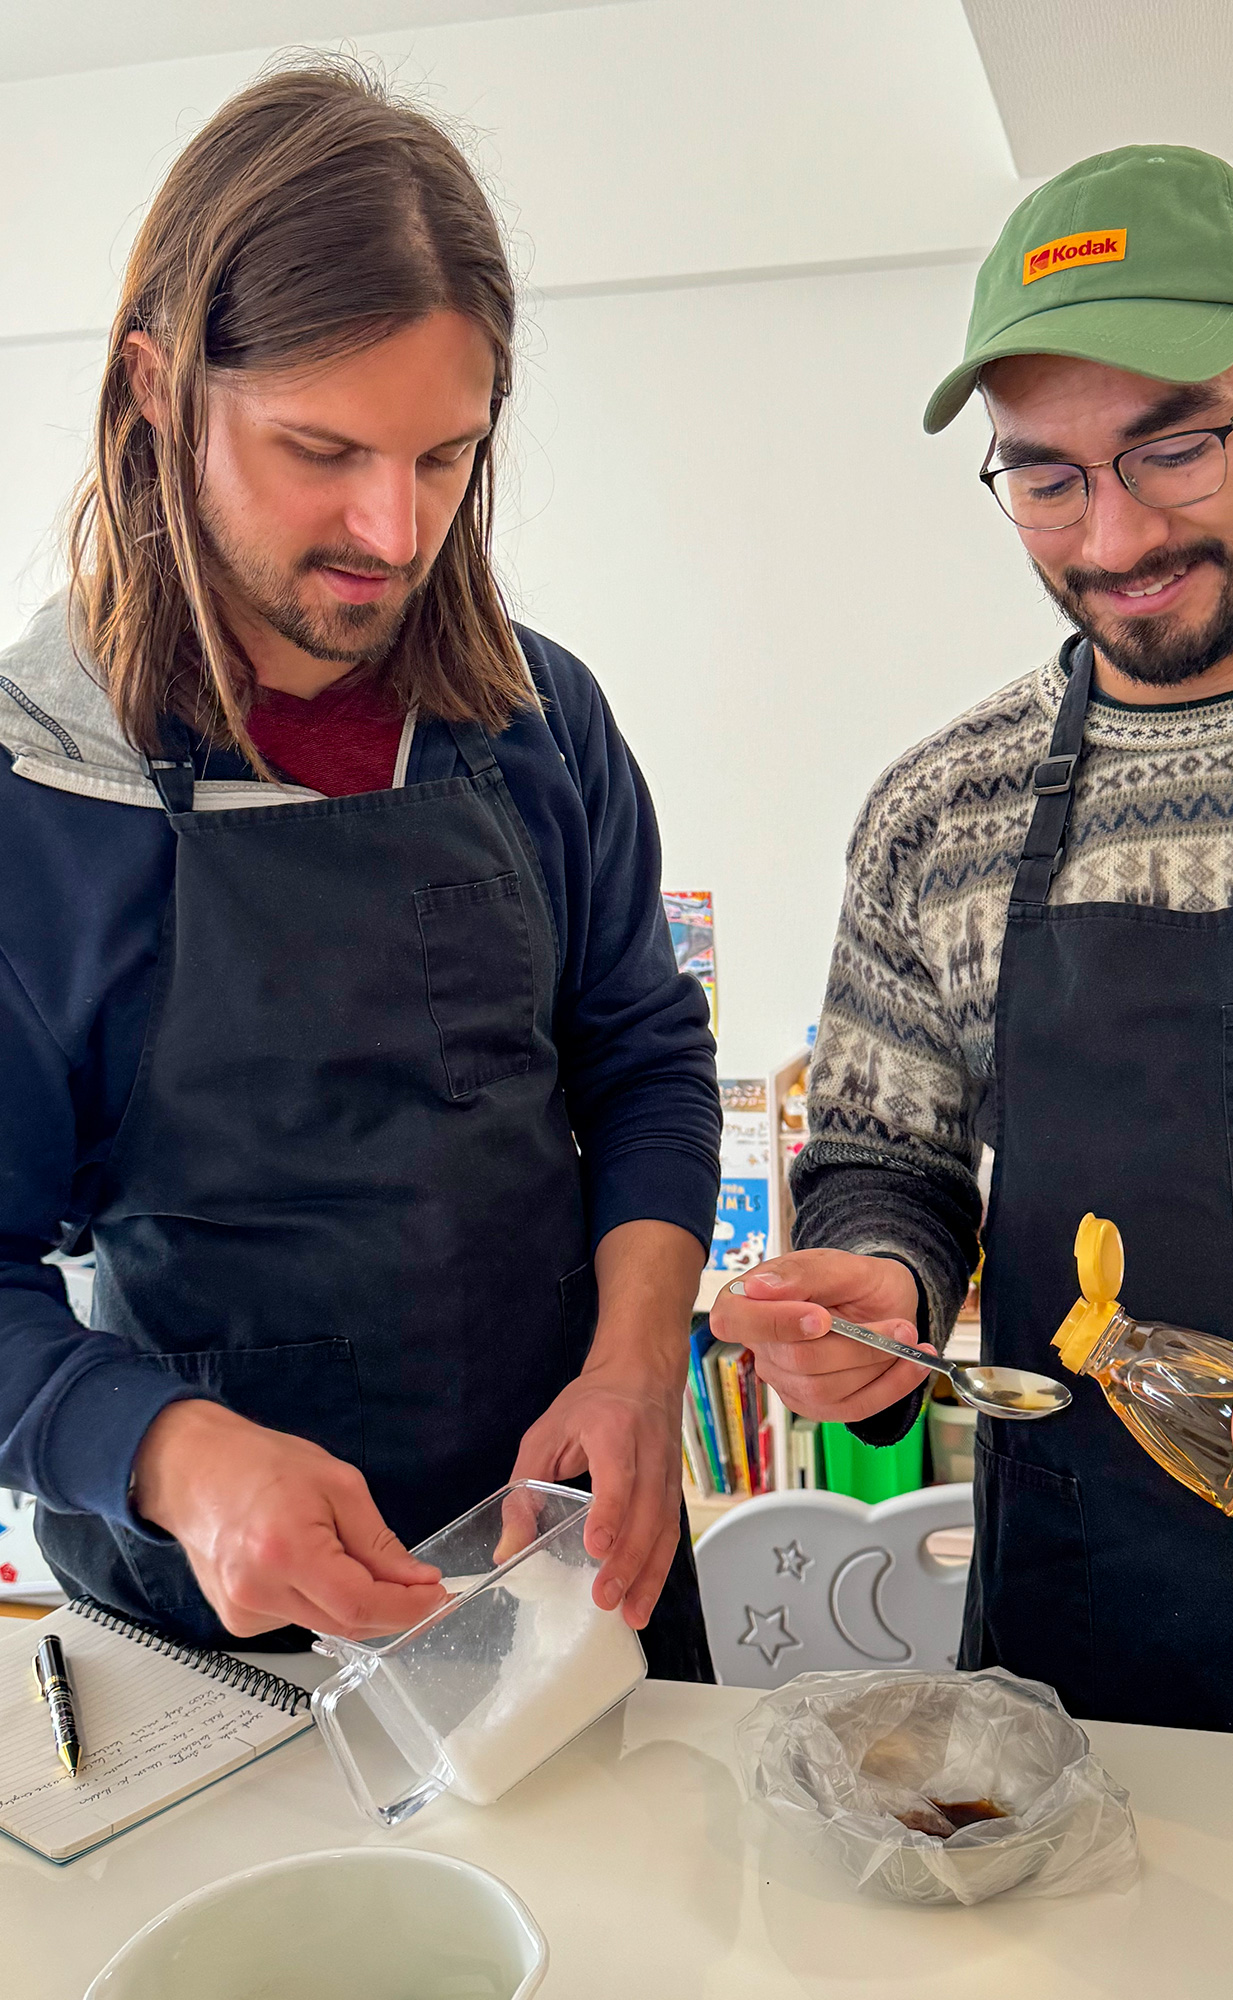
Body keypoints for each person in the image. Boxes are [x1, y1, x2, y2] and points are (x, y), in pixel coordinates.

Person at [714, 143, 1233, 1741]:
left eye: (1177, 447)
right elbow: (887, 1156)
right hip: (1085, 1679)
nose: (1113, 538)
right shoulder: (940, 810)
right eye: (1046, 476)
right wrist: (884, 1277)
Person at [0, 62, 721, 1674]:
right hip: (227, 1645)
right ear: (152, 388)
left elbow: (645, 1059)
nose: (392, 535)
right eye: (320, 450)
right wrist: (171, 1454)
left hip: (570, 1589)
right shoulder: (41, 792)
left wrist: (634, 1360)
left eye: (448, 459)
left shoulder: (542, 725)